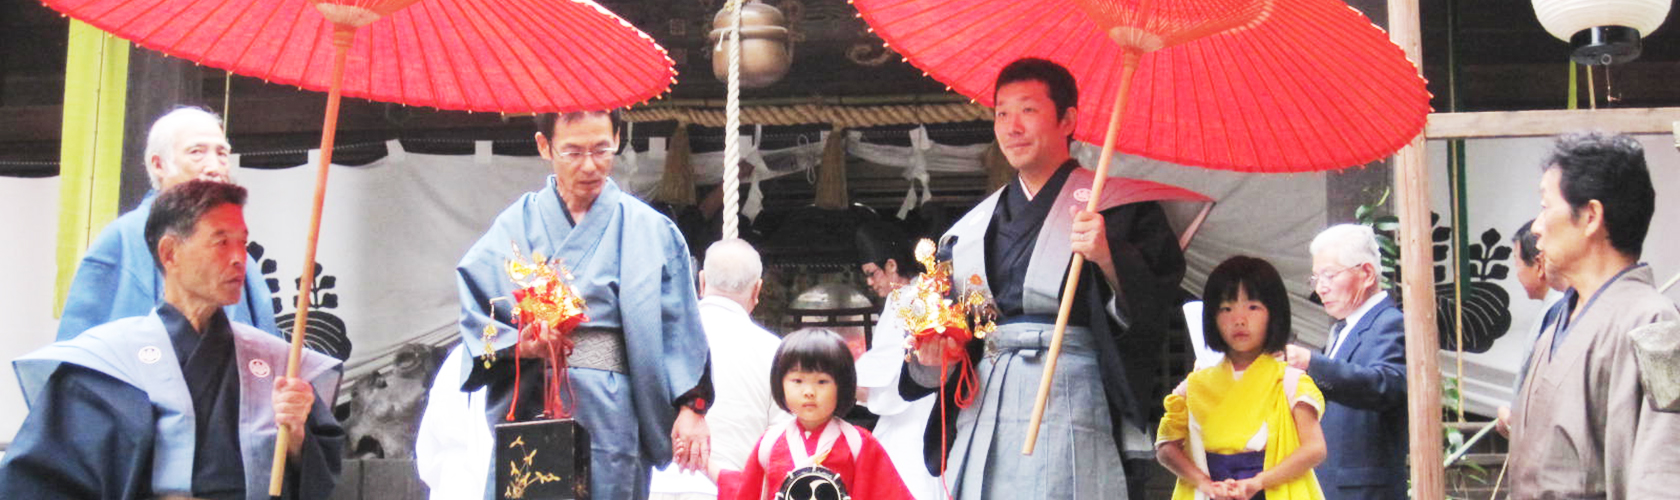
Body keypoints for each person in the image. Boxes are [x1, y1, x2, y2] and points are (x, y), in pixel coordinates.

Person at [902, 57, 1188, 499]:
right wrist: (935, 354)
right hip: (988, 393)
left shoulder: (1117, 210)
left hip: (1071, 389)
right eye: (1001, 113)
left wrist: (1109, 257)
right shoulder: (970, 230)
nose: (1011, 127)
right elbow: (963, 336)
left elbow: (1152, 312)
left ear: (1068, 119)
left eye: (1028, 110)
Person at [0, 180, 343, 499]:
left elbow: (317, 478)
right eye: (221, 241)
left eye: (243, 241)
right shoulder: (106, 365)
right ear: (169, 253)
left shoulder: (276, 365)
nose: (240, 258)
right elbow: (43, 478)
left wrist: (297, 435)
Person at [454, 110, 713, 500]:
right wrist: (522, 346)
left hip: (614, 408)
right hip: (535, 403)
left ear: (618, 139)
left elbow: (681, 327)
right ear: (545, 147)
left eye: (601, 150)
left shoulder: (650, 229)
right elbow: (480, 319)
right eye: (573, 152)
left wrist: (692, 407)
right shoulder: (513, 227)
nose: (590, 165)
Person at [1508, 132, 1680, 497]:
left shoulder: (1656, 323)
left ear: (1590, 216)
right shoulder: (1559, 319)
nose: (1536, 227)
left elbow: (1664, 473)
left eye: (1544, 205)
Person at [57, 106, 279, 342]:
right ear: (158, 165)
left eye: (222, 154)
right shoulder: (124, 239)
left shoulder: (237, 252)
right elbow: (83, 357)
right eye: (197, 152)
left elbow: (263, 352)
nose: (214, 167)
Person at [1158, 256, 1326, 500]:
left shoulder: (1290, 382)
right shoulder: (1193, 387)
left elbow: (1315, 449)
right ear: (1212, 318)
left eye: (1253, 307)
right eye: (1226, 308)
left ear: (1274, 314)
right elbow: (1166, 448)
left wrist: (1258, 482)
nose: (1239, 320)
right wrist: (1204, 483)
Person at [650, 239, 790, 499]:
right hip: (729, 489)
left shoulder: (661, 339)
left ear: (701, 282)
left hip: (653, 485)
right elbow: (781, 445)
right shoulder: (776, 353)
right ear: (757, 290)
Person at [1283, 223, 1407, 500]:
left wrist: (1311, 363)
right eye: (1316, 279)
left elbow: (1384, 385)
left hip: (1363, 488)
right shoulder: (1343, 328)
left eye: (1329, 275)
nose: (1321, 288)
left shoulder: (1390, 323)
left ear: (1366, 273)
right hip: (1334, 482)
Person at [716, 329, 914, 500]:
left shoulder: (859, 444)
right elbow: (746, 491)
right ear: (780, 383)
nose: (808, 391)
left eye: (821, 382)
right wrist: (707, 465)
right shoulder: (769, 443)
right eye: (797, 381)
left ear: (842, 385)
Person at [852, 223, 941, 499]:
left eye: (871, 273)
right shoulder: (917, 293)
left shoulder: (907, 298)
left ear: (891, 265)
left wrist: (844, 379)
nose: (869, 282)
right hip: (921, 410)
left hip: (913, 411)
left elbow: (889, 361)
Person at [1493, 220, 1568, 438]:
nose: (1517, 273)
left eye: (1517, 262)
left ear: (1538, 264)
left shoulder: (1559, 311)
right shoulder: (1556, 308)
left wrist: (1515, 420)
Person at [415, 344, 491, 500]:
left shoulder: (463, 354)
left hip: (451, 474)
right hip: (465, 478)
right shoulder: (481, 354)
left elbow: (427, 452)